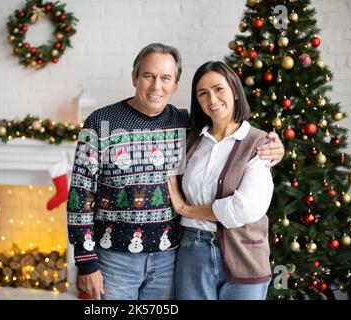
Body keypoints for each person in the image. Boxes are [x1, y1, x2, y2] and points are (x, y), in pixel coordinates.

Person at [67, 44, 284, 300]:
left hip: (169, 258)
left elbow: (227, 132)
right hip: (115, 259)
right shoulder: (101, 122)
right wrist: (86, 262)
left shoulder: (185, 125)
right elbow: (80, 196)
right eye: (148, 76)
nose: (156, 86)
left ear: (176, 85)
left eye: (166, 78)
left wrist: (276, 148)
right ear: (134, 77)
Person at [167, 61, 275, 300]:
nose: (211, 99)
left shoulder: (259, 144)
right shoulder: (192, 140)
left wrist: (185, 209)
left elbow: (243, 209)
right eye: (202, 93)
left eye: (219, 89)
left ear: (235, 91)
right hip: (192, 252)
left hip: (244, 255)